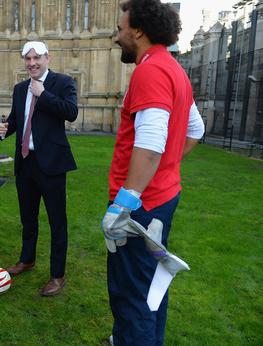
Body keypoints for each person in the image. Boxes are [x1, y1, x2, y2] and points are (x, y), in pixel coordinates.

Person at [102, 1, 205, 344]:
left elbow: (150, 143)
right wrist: (166, 171)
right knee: (151, 288)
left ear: (138, 30)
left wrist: (123, 205)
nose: (116, 38)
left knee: (132, 295)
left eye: (120, 29)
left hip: (140, 209)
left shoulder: (150, 70)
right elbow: (196, 128)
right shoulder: (173, 68)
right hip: (162, 197)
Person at [0, 41, 78, 296]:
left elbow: (71, 112)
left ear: (47, 58)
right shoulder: (20, 88)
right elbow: (16, 120)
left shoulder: (62, 82)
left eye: (36, 58)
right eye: (27, 58)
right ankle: (27, 260)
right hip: (26, 162)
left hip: (52, 165)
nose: (32, 63)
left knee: (57, 222)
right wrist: (4, 130)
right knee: (28, 218)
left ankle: (58, 275)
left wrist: (44, 94)